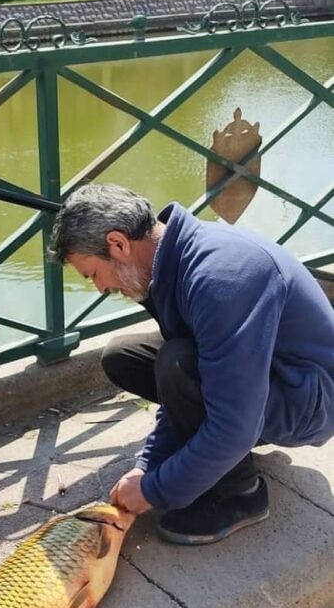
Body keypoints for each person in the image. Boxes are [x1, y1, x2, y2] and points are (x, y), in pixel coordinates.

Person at [49, 183, 334, 545]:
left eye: (93, 274)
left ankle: (241, 494)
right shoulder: (172, 257)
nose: (100, 288)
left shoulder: (219, 277)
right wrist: (148, 465)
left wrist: (154, 490)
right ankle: (214, 459)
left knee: (178, 363)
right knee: (125, 357)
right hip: (268, 375)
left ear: (118, 244)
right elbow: (178, 393)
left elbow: (233, 423)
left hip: (311, 400)